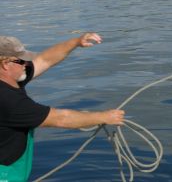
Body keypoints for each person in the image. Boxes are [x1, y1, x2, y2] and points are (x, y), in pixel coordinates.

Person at [0, 33, 125, 182]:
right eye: (22, 62)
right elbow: (61, 119)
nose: (27, 65)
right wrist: (104, 117)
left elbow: (45, 60)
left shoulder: (10, 80)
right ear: (5, 64)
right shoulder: (9, 101)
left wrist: (76, 42)